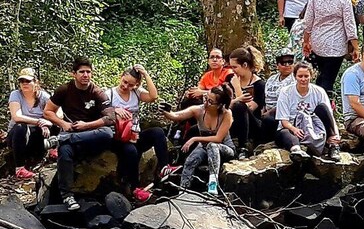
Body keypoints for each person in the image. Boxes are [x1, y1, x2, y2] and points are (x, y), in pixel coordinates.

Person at [43, 57, 114, 211]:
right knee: (64, 150)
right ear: (73, 74)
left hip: (92, 137)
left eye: (88, 72)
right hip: (72, 136)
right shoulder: (64, 90)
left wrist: (86, 126)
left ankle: (62, 139)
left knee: (107, 133)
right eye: (82, 72)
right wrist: (62, 124)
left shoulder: (97, 92)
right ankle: (67, 196)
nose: (85, 75)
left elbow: (110, 118)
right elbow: (47, 111)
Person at [106, 65, 174, 202]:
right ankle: (134, 188)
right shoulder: (110, 94)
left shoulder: (136, 93)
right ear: (121, 77)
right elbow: (99, 110)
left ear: (136, 85)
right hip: (118, 138)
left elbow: (153, 96)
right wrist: (114, 110)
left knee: (158, 132)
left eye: (131, 85)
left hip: (134, 134)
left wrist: (145, 74)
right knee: (131, 151)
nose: (126, 86)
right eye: (124, 82)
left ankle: (164, 167)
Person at [161, 85, 234, 195]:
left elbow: (218, 139)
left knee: (212, 146)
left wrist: (195, 139)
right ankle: (183, 190)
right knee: (190, 160)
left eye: (210, 102)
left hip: (224, 148)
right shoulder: (198, 110)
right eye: (205, 98)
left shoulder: (226, 114)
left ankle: (213, 184)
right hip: (203, 147)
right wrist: (166, 111)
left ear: (219, 105)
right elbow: (176, 116)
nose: (206, 103)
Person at [303, 0, 360, 95]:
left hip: (318, 42)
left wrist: (306, 41)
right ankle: (324, 102)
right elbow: (350, 24)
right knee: (329, 78)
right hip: (336, 45)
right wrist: (356, 47)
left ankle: (315, 97)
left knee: (323, 74)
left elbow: (308, 21)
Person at [275, 62, 341, 161]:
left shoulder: (319, 91)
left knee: (322, 108)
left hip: (314, 126)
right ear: (295, 76)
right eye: (300, 76)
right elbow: (284, 121)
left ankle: (333, 145)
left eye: (306, 76)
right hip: (292, 126)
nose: (303, 79)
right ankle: (296, 150)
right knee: (284, 132)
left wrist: (336, 134)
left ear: (311, 76)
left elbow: (329, 116)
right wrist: (294, 129)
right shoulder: (285, 92)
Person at [6, 68, 57, 180]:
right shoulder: (15, 94)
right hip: (18, 136)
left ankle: (54, 149)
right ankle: (19, 168)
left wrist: (48, 122)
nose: (24, 83)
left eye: (28, 81)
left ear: (35, 82)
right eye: (22, 81)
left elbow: (59, 113)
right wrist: (39, 122)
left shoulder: (43, 96)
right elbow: (17, 116)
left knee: (56, 122)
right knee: (20, 126)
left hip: (37, 135)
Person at [227, 46, 266, 158]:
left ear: (244, 65)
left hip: (253, 123)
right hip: (230, 120)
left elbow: (249, 108)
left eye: (235, 67)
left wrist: (238, 89)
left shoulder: (259, 85)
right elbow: (224, 104)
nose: (232, 70)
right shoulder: (230, 79)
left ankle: (243, 146)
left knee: (240, 107)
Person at [260, 48, 296, 144]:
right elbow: (265, 97)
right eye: (283, 63)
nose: (287, 65)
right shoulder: (271, 79)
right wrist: (263, 110)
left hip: (283, 116)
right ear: (277, 65)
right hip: (266, 112)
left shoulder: (295, 80)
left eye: (290, 62)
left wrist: (270, 113)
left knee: (268, 119)